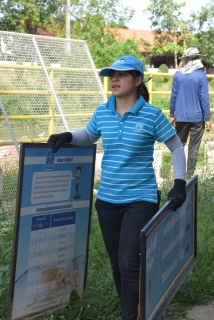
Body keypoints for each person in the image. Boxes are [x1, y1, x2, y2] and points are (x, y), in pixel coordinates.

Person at [47, 56, 187, 319]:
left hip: (140, 198)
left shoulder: (151, 115)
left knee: (129, 262)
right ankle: (135, 311)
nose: (114, 79)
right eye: (112, 75)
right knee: (117, 263)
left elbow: (176, 146)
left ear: (137, 80)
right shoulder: (102, 112)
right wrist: (67, 136)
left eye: (122, 75)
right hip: (108, 199)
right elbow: (88, 136)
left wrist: (179, 182)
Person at [169, 47, 212, 178]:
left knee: (179, 145)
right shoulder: (201, 75)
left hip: (181, 117)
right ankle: (189, 176)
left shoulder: (177, 75)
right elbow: (204, 98)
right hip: (197, 118)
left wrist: (172, 114)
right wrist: (208, 118)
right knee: (194, 148)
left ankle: (178, 174)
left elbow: (174, 96)